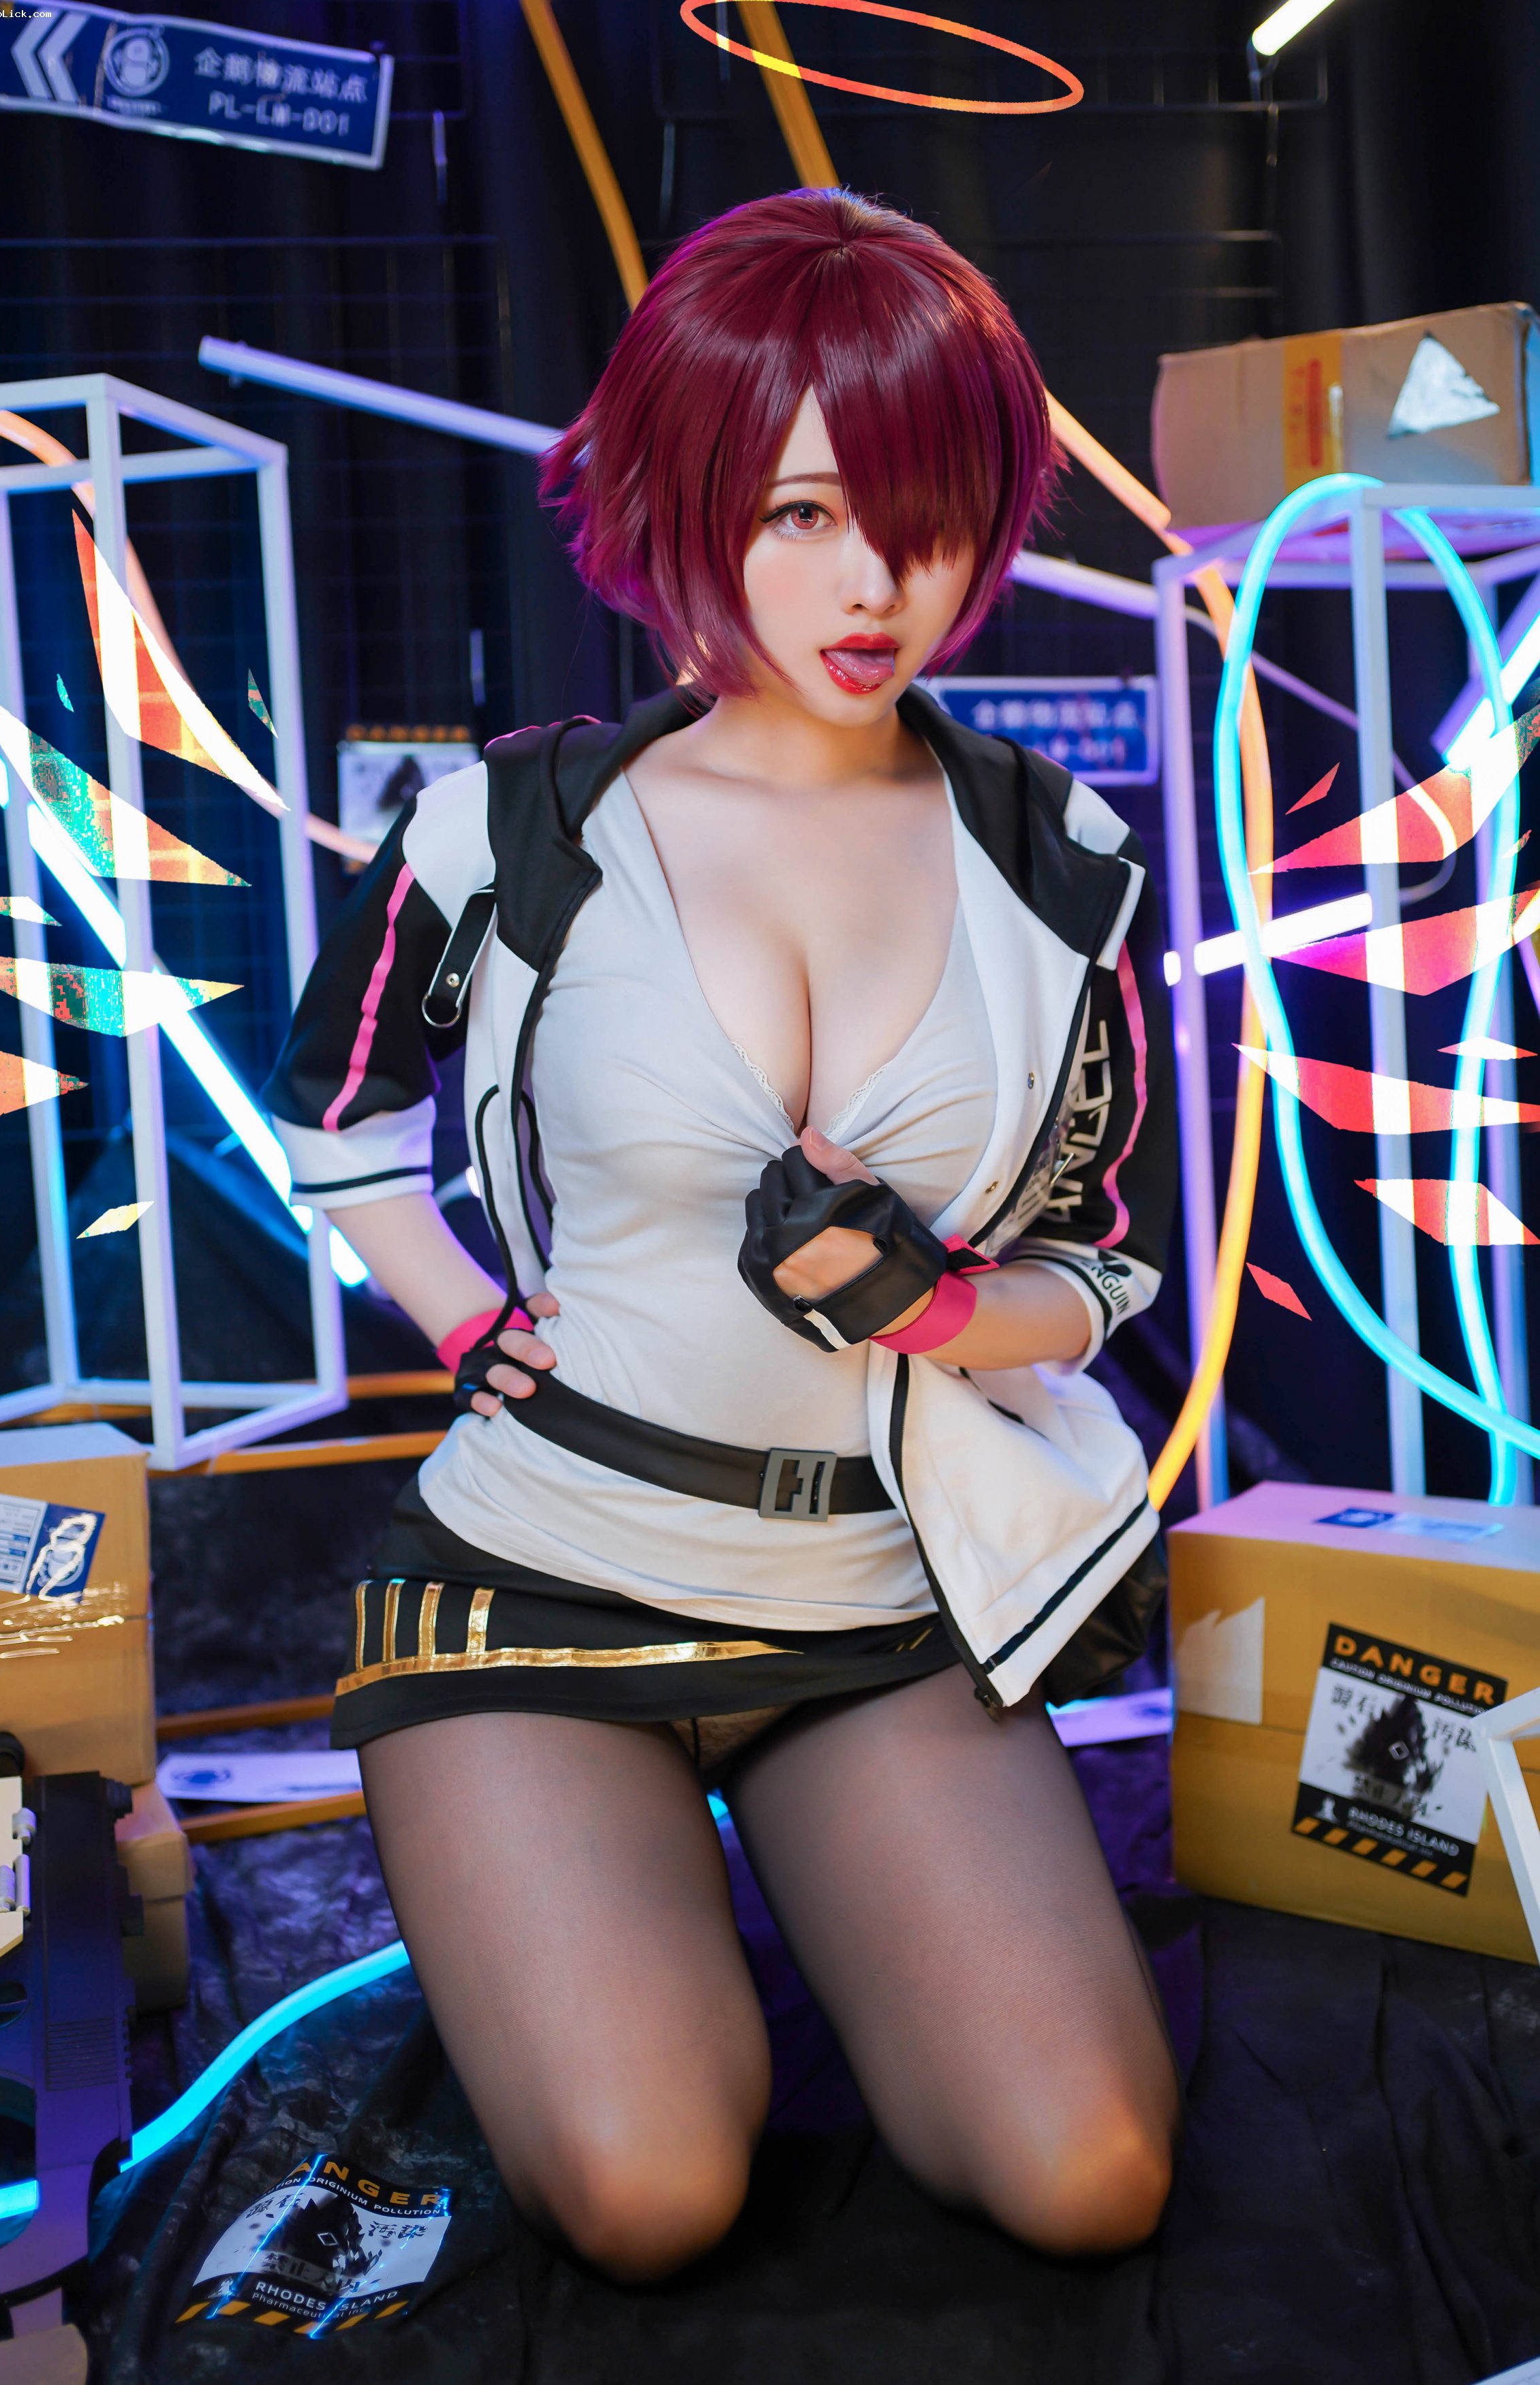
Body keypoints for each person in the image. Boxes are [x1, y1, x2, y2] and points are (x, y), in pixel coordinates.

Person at [264, 188, 1180, 2285]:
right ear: (690, 502)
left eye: (929, 520)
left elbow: (1100, 1265)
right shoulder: (511, 829)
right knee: (656, 2191)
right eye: (802, 515)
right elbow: (334, 1119)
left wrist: (944, 1307)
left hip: (867, 1603)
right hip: (539, 1591)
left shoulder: (1061, 863)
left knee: (1092, 2170)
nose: (875, 584)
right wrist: (461, 1314)